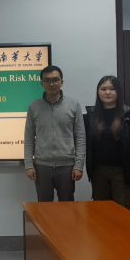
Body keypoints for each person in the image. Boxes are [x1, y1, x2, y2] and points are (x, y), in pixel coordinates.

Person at [84, 76, 130, 213]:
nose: (107, 92)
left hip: (123, 173)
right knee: (101, 212)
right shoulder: (90, 117)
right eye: (103, 89)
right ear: (98, 92)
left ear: (118, 92)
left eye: (112, 89)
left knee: (125, 212)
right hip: (98, 172)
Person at [24, 65, 86, 202]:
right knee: (44, 207)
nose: (51, 84)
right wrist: (28, 164)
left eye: (55, 80)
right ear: (42, 83)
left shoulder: (73, 105)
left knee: (67, 206)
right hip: (42, 166)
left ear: (61, 82)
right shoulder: (34, 106)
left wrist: (79, 165)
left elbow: (80, 137)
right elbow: (28, 137)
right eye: (47, 80)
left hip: (67, 166)